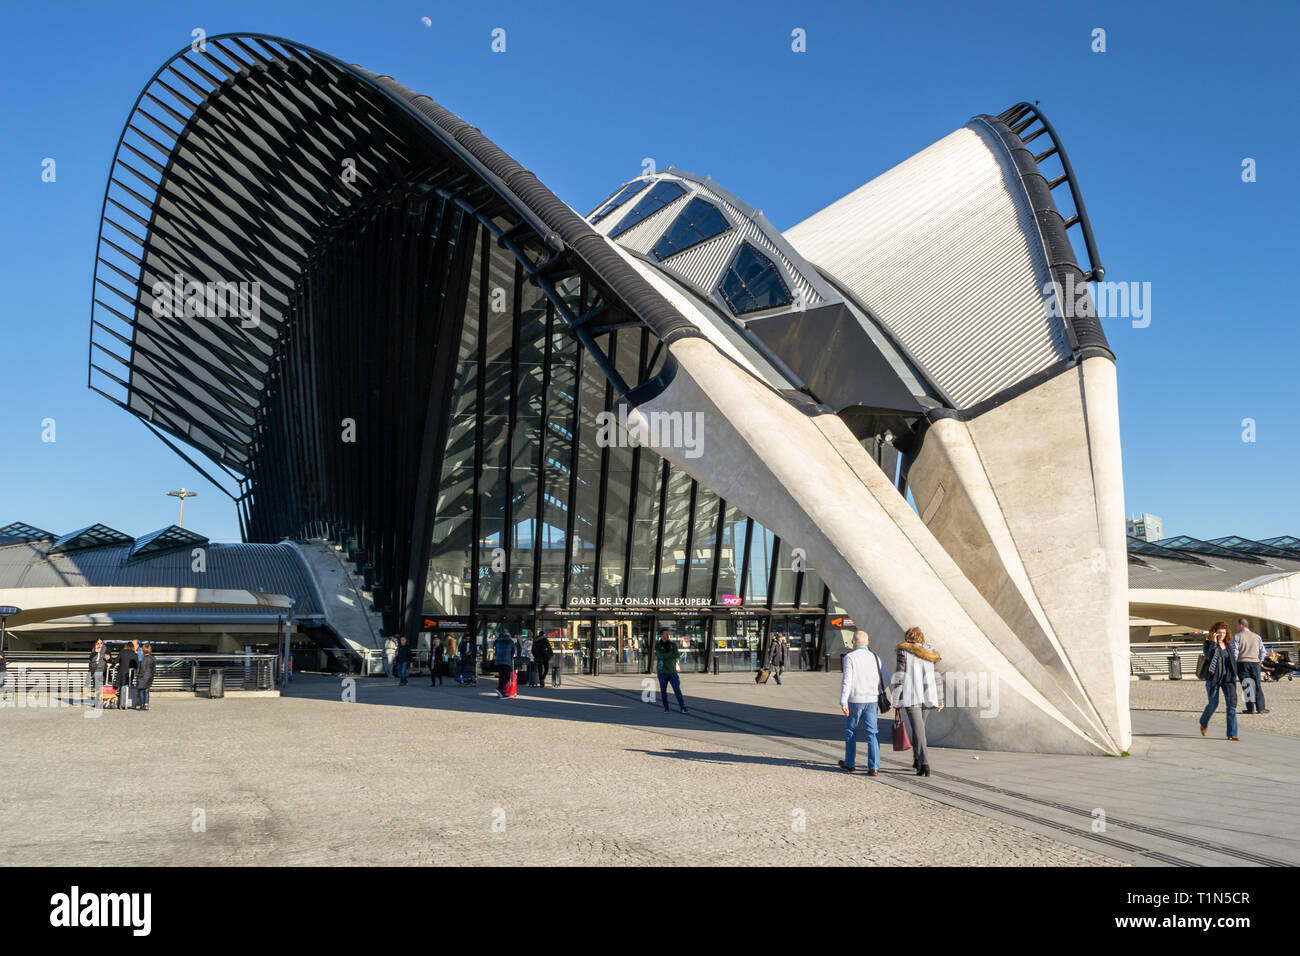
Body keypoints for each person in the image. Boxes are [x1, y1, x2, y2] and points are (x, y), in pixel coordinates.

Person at [893, 626, 944, 777]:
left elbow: (899, 676)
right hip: (929, 696)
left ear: (908, 637)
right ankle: (917, 758)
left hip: (912, 695)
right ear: (922, 637)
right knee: (919, 729)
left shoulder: (904, 652)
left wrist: (896, 699)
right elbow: (937, 677)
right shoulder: (931, 653)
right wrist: (940, 699)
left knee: (919, 730)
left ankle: (925, 763)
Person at [838, 630, 891, 775]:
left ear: (854, 642)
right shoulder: (876, 657)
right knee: (872, 733)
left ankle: (850, 763)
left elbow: (847, 680)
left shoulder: (850, 657)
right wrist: (876, 689)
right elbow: (886, 678)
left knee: (851, 731)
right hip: (872, 700)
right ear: (867, 642)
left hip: (855, 700)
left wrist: (843, 701)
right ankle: (874, 767)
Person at [1200, 621, 1240, 740]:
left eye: (1223, 632)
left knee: (1231, 706)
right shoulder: (1208, 644)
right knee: (1213, 704)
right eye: (1219, 633)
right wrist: (1214, 642)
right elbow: (1209, 656)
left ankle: (1232, 734)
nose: (1221, 635)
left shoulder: (1229, 644)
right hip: (1214, 679)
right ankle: (1203, 722)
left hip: (1228, 679)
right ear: (1214, 633)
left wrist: (1235, 676)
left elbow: (1233, 661)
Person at [1234, 618, 1269, 714]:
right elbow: (1263, 651)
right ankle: (1261, 708)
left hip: (1242, 663)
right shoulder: (1257, 636)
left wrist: (1234, 663)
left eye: (1237, 625)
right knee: (1257, 685)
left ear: (1241, 625)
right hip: (1255, 663)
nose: (1236, 627)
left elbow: (1235, 652)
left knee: (1247, 684)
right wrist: (1259, 661)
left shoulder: (1237, 636)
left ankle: (1250, 708)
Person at [654, 629, 688, 714]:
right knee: (663, 691)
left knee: (677, 690)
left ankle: (683, 708)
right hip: (662, 672)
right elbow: (660, 656)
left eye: (668, 634)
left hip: (672, 672)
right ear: (661, 635)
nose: (667, 635)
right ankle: (666, 708)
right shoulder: (658, 646)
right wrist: (670, 653)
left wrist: (668, 654)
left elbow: (676, 655)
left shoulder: (673, 645)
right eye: (665, 634)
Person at [115, 640, 139, 710]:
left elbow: (116, 661)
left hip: (121, 673)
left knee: (121, 687)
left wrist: (113, 664)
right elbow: (136, 665)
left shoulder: (122, 652)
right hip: (129, 674)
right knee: (127, 687)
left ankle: (120, 703)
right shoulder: (135, 654)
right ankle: (126, 702)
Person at [493, 630, 517, 698]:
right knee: (507, 677)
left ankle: (501, 692)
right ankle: (499, 688)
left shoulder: (498, 641)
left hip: (498, 662)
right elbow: (513, 653)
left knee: (502, 676)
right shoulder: (510, 642)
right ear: (508, 636)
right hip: (506, 662)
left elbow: (496, 652)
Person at [133, 644, 156, 711]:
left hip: (143, 677)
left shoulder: (143, 659)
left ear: (143, 650)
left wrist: (138, 675)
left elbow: (142, 669)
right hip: (150, 677)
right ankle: (146, 705)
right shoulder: (153, 658)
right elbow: (154, 669)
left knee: (141, 691)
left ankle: (142, 705)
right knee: (146, 691)